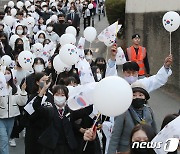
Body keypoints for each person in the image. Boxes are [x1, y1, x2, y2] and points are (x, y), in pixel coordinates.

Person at [30, 84, 93, 154]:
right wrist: (43, 91)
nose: (59, 97)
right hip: (51, 146)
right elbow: (36, 106)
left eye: (62, 95)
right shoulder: (49, 109)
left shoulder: (70, 110)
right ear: (53, 96)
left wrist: (89, 97)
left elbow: (86, 111)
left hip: (67, 146)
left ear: (66, 97)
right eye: (57, 95)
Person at [107, 82, 157, 153]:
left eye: (140, 95)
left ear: (145, 98)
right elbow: (115, 136)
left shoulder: (149, 111)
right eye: (134, 95)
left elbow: (155, 132)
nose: (137, 97)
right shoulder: (123, 112)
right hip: (126, 150)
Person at [0, 67, 27, 154]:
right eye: (4, 73)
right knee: (3, 140)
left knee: (6, 140)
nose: (6, 75)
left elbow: (21, 102)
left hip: (11, 117)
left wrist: (23, 91)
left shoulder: (15, 88)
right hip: (1, 117)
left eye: (8, 73)